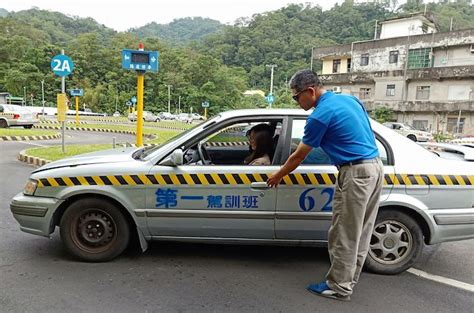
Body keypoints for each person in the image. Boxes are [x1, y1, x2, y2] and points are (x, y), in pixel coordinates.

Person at [267, 69, 383, 301]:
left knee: (344, 232)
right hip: (374, 167)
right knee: (360, 231)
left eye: (296, 96)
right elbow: (359, 134)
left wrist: (277, 175)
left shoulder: (320, 116)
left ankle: (339, 287)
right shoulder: (349, 100)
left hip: (355, 173)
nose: (297, 102)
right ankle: (348, 280)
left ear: (310, 91)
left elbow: (298, 157)